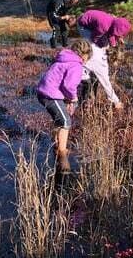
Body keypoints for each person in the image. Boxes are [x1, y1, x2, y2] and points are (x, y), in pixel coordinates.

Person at [37, 39, 92, 172]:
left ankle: (56, 141)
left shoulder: (64, 58)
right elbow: (69, 86)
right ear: (84, 55)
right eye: (87, 58)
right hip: (50, 95)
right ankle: (62, 151)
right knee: (66, 121)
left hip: (43, 92)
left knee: (60, 119)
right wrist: (73, 98)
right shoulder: (76, 65)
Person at [77, 10, 131, 109]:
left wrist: (114, 43)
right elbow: (94, 39)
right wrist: (116, 101)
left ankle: (86, 70)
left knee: (102, 45)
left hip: (93, 25)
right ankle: (85, 76)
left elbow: (111, 33)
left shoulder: (113, 23)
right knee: (93, 51)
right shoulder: (103, 26)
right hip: (83, 26)